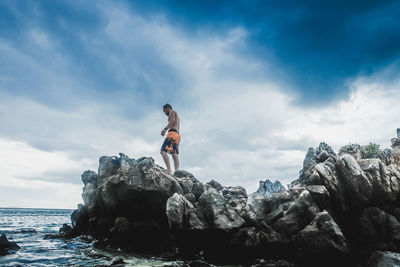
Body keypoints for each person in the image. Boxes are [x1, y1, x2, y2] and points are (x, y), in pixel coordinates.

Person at [160, 103, 181, 174]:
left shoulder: (172, 112)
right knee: (174, 154)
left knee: (163, 151)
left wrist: (165, 129)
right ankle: (177, 172)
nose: (165, 113)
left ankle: (169, 171)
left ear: (168, 108)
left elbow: (172, 121)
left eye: (165, 111)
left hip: (172, 134)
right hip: (177, 135)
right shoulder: (178, 116)